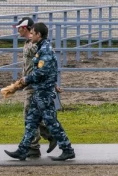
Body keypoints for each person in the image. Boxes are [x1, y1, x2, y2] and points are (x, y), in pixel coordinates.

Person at [5, 22, 76, 161]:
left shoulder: (45, 50)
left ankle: (67, 149)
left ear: (39, 34)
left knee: (51, 122)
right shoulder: (40, 48)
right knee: (31, 121)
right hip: (39, 91)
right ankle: (23, 150)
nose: (30, 36)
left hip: (44, 92)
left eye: (32, 33)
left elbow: (41, 73)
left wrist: (26, 80)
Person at [14, 17, 56, 158]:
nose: (17, 30)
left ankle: (33, 146)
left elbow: (45, 66)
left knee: (29, 115)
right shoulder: (28, 43)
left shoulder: (35, 46)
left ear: (25, 28)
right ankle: (52, 135)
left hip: (34, 84)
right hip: (29, 83)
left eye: (19, 28)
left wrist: (52, 83)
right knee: (36, 116)